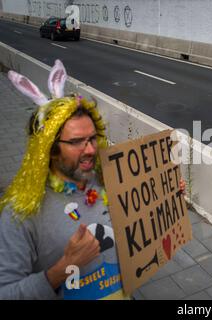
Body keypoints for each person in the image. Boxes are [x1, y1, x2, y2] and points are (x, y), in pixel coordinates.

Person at [0, 60, 185, 299]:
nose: (89, 150)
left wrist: (166, 199)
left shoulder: (110, 181)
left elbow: (138, 232)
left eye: (92, 138)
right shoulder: (20, 213)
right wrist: (64, 268)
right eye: (76, 142)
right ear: (49, 148)